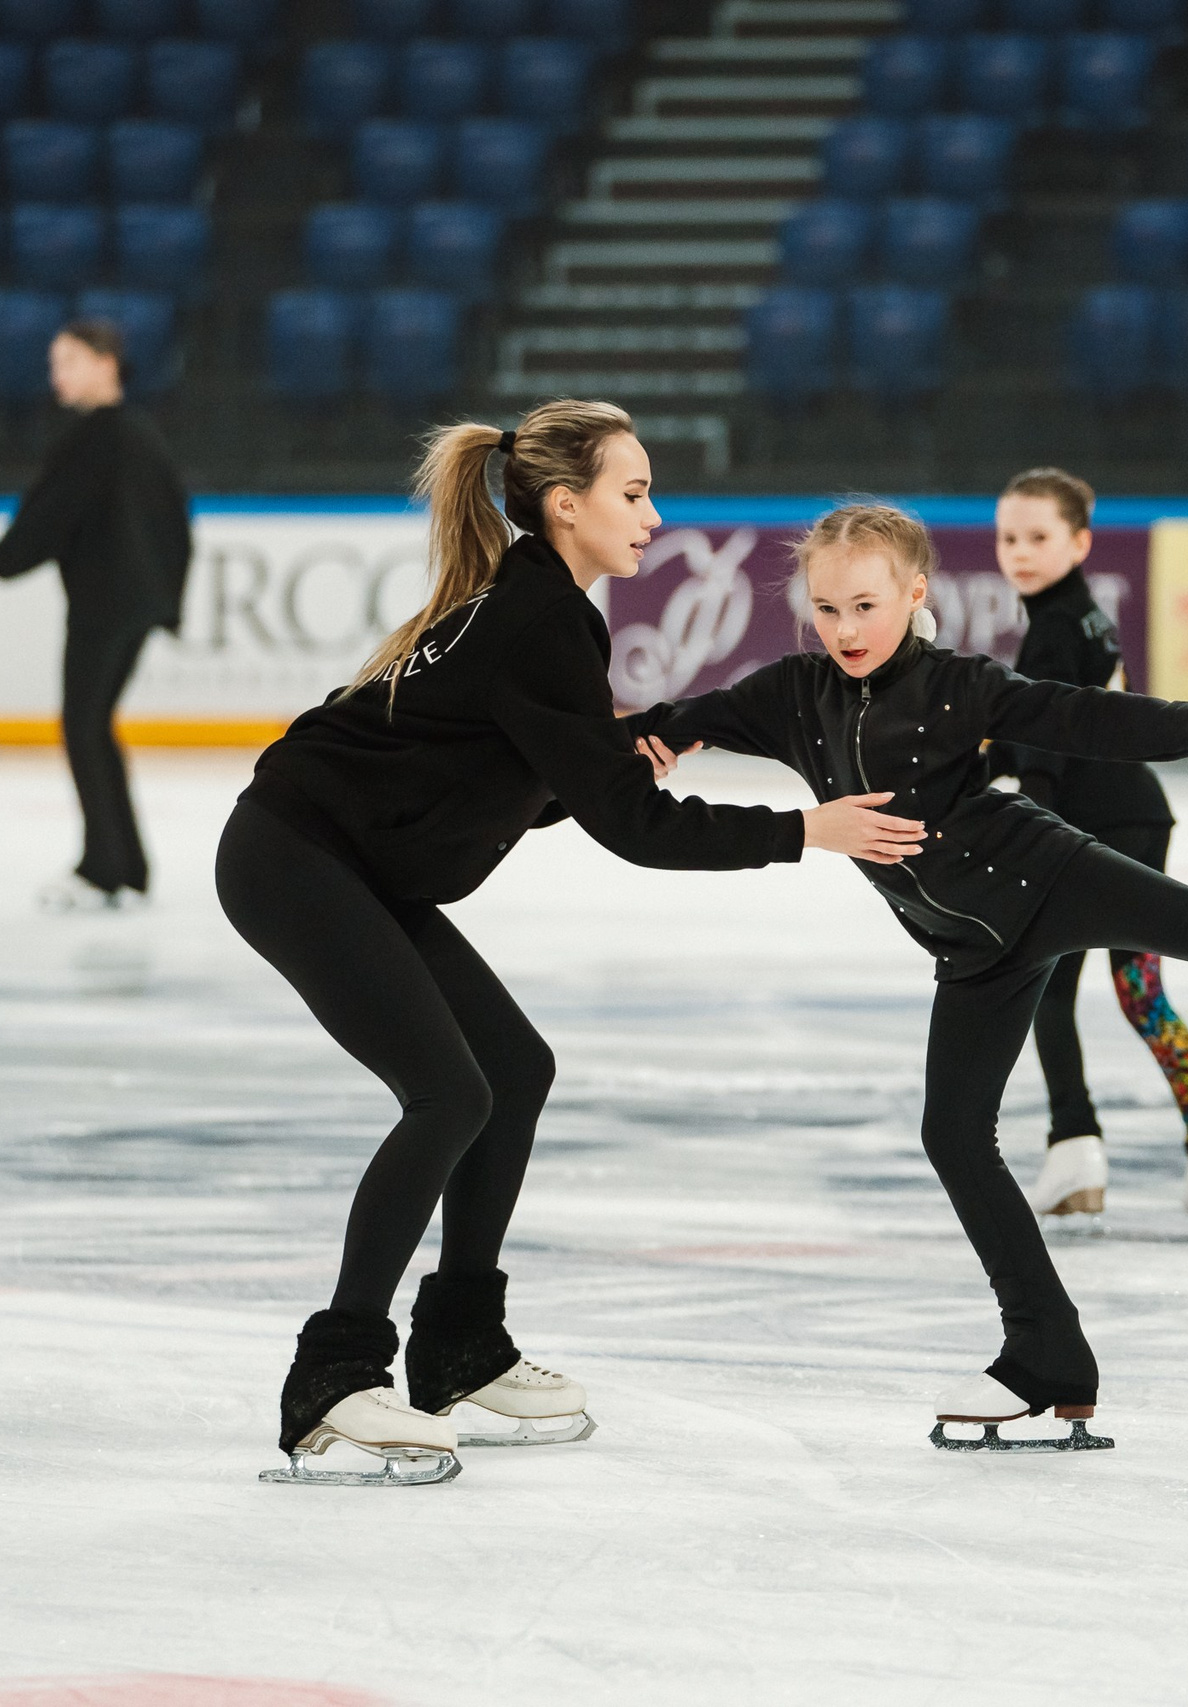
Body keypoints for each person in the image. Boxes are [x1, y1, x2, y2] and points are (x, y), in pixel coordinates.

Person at [628, 505, 1188, 1450]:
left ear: (916, 596)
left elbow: (1087, 717)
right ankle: (1048, 1356)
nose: (847, 629)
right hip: (971, 950)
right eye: (827, 609)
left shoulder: (960, 684)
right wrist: (652, 741)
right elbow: (676, 723)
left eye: (866, 605)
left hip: (1048, 877)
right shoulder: (793, 695)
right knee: (952, 1132)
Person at [218, 403, 924, 1486]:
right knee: (448, 1093)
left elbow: (500, 769)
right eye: (633, 493)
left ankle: (458, 1343)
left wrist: (598, 768)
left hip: (354, 860)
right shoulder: (540, 617)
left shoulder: (535, 604)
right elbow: (635, 834)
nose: (653, 514)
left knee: (512, 1068)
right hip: (296, 857)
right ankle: (336, 1375)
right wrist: (800, 833)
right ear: (565, 505)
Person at [984, 467, 1188, 1230]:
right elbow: (1058, 724)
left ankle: (1074, 1144)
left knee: (1044, 989)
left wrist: (1022, 830)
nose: (1020, 552)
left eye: (1039, 538)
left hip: (1087, 830)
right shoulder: (1084, 617)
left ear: (1080, 542)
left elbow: (1049, 744)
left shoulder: (1052, 629)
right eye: (1009, 537)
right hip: (1133, 820)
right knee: (1139, 991)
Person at [0, 318, 193, 912]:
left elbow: (48, 517)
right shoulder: (141, 432)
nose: (57, 375)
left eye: (69, 362)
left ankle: (104, 869)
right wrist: (165, 600)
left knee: (83, 727)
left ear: (107, 362)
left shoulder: (96, 436)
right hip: (133, 604)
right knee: (94, 726)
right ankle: (125, 865)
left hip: (105, 605)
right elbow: (177, 526)